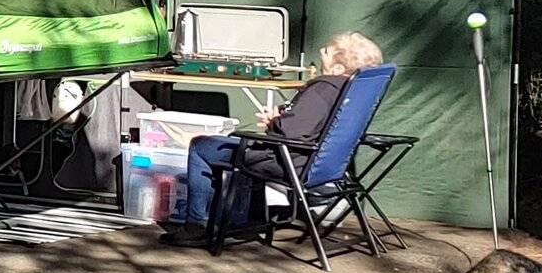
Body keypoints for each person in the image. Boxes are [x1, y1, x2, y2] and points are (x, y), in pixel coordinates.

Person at [160, 32, 384, 243]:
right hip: (321, 165)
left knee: (202, 146)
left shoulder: (323, 88)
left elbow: (291, 132)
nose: (321, 51)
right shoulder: (354, 92)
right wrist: (282, 119)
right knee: (228, 145)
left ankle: (195, 227)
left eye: (327, 51)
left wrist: (273, 122)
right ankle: (233, 220)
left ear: (337, 66)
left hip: (287, 161)